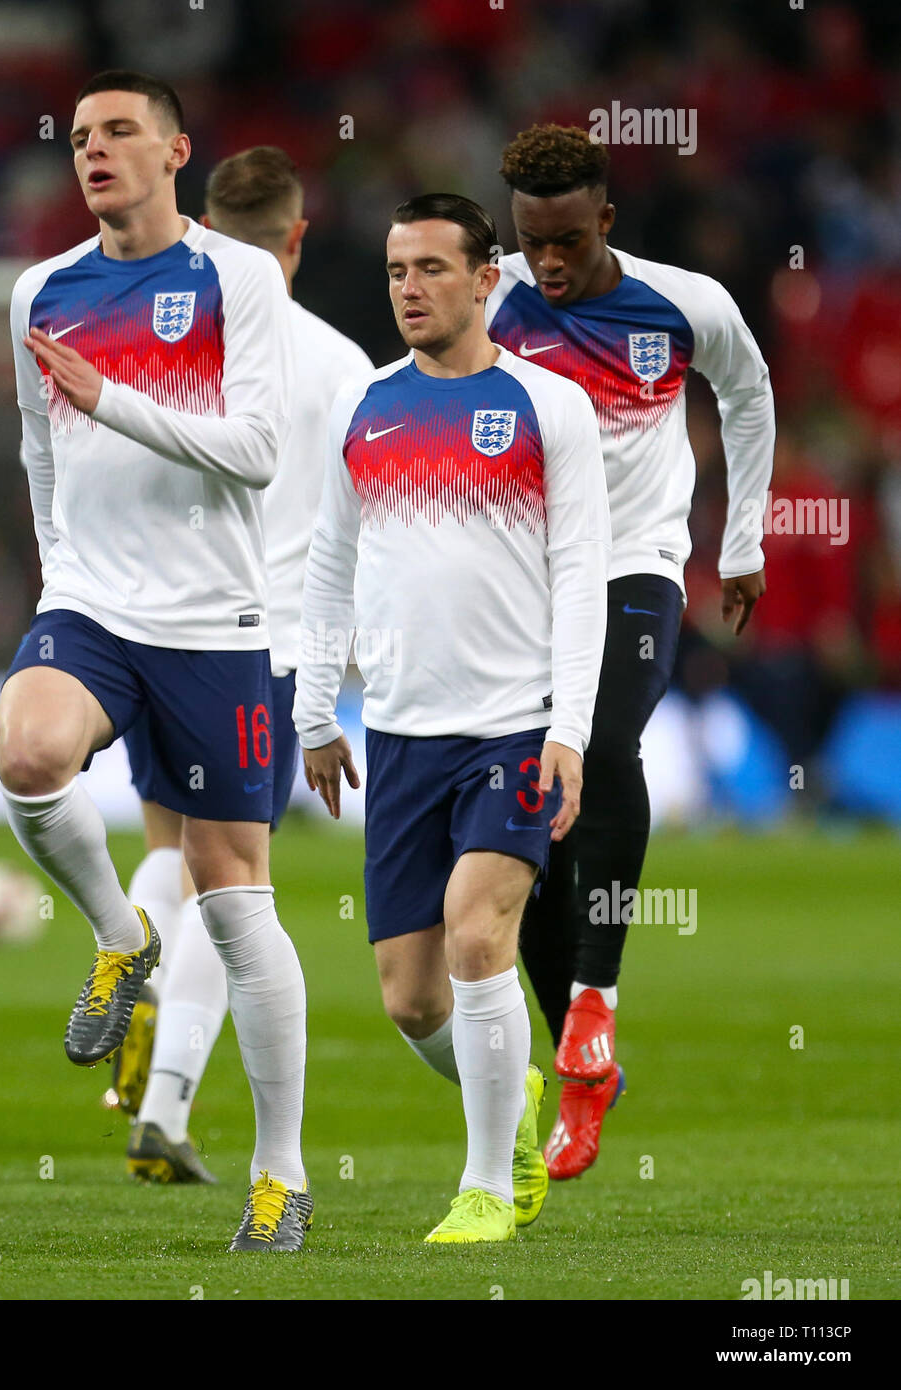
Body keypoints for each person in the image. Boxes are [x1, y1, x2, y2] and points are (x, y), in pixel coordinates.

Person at [0, 70, 310, 1252]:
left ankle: (278, 1174)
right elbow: (39, 447)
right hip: (90, 603)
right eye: (79, 136)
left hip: (216, 624)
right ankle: (120, 938)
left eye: (120, 130)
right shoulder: (43, 287)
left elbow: (259, 452)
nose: (95, 149)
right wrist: (54, 576)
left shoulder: (232, 277)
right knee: (29, 754)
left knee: (236, 903)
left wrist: (115, 400)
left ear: (176, 150)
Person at [294, 193, 610, 1243]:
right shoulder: (362, 407)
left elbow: (581, 580)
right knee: (409, 998)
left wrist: (568, 727)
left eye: (431, 268)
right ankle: (511, 1092)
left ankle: (482, 1185)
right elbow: (329, 566)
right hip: (401, 734)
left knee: (480, 933)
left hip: (513, 728)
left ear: (486, 280)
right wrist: (312, 710)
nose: (409, 288)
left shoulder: (545, 405)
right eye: (395, 270)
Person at [487, 124, 774, 1179]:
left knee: (601, 750)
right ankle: (579, 1060)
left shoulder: (683, 305)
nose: (548, 262)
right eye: (531, 240)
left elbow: (745, 394)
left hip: (634, 568)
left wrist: (738, 540)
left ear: (603, 220)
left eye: (565, 239)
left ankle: (596, 998)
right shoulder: (487, 299)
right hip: (517, 579)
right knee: (522, 819)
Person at [114, 146, 372, 1187]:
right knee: (236, 886)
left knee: (172, 854)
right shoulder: (342, 364)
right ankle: (166, 1105)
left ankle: (119, 962)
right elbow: (371, 525)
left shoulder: (167, 346)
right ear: (297, 236)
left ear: (207, 228)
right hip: (263, 650)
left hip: (152, 628)